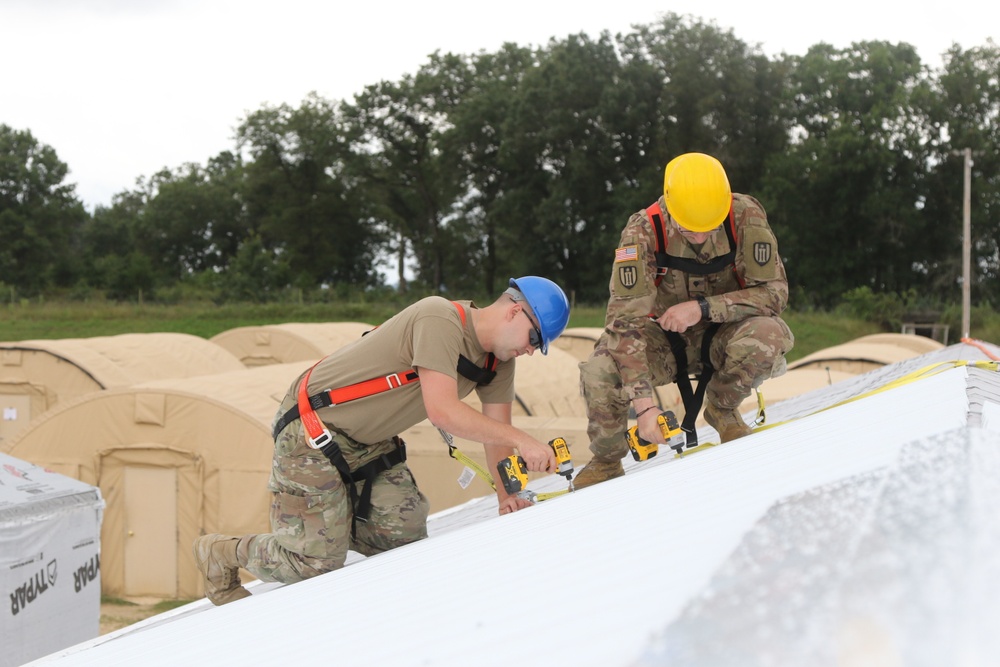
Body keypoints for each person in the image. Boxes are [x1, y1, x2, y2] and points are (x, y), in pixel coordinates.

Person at [193, 276, 571, 605]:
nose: (531, 350)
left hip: (370, 443)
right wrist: (524, 440)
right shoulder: (439, 317)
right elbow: (443, 411)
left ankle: (333, 523)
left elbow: (497, 435)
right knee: (317, 563)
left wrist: (507, 495)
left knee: (403, 535)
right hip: (312, 430)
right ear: (513, 311)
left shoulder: (498, 363)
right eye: (534, 338)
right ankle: (221, 552)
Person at [573, 152, 794, 489]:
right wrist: (645, 409)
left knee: (770, 335)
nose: (702, 238)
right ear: (671, 208)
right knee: (601, 367)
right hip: (662, 340)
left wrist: (703, 308)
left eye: (710, 227)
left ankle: (722, 409)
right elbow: (624, 324)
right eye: (691, 230)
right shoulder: (642, 231)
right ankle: (607, 460)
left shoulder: (744, 215)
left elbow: (774, 294)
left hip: (726, 333)